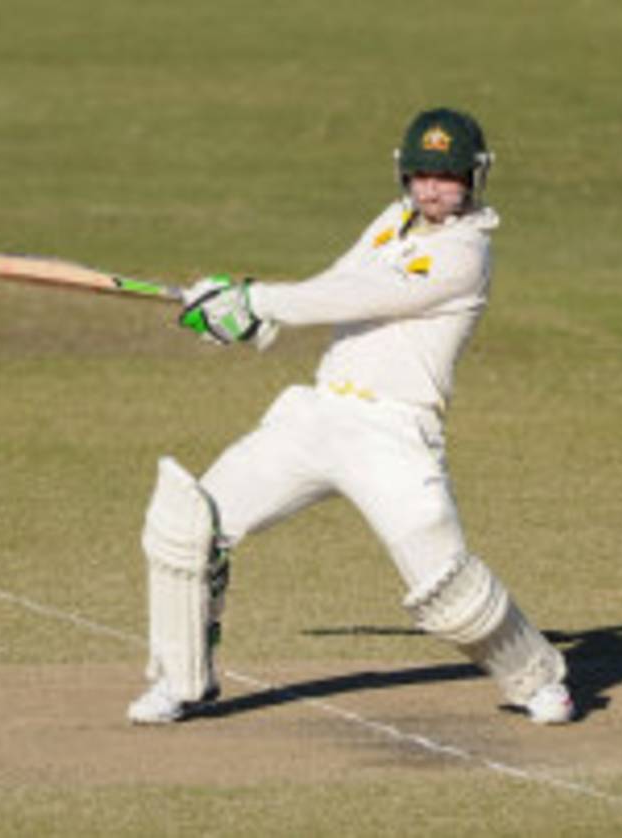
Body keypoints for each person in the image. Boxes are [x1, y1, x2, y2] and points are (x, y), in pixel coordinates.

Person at [126, 107, 574, 726]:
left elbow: (362, 296)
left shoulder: (464, 255)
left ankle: (535, 677)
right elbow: (335, 281)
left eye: (447, 175)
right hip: (317, 416)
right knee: (190, 527)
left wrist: (254, 298)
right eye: (420, 174)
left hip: (394, 432)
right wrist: (247, 318)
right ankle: (181, 682)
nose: (431, 188)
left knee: (448, 590)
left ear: (476, 177)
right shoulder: (392, 222)